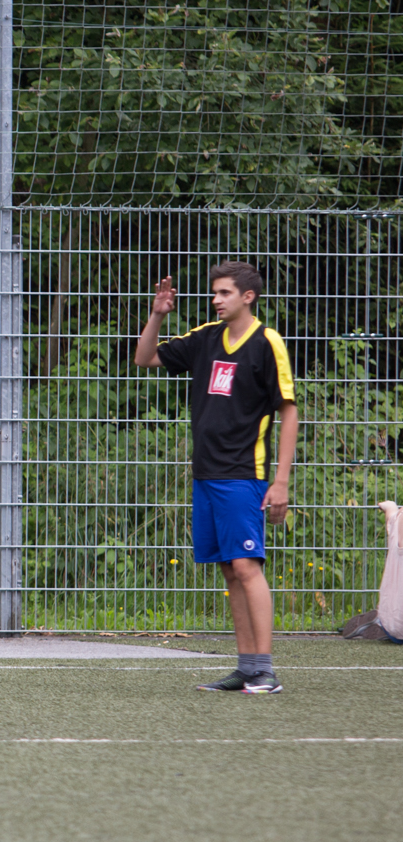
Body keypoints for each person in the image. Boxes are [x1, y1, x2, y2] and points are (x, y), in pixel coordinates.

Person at [134, 260, 297, 693]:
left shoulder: (267, 341)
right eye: (214, 292)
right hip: (205, 474)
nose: (216, 300)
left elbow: (289, 410)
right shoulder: (206, 337)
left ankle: (266, 671)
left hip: (243, 474)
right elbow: (145, 358)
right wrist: (157, 315)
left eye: (224, 293)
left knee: (246, 565)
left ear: (248, 296)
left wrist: (280, 481)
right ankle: (246, 668)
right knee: (229, 569)